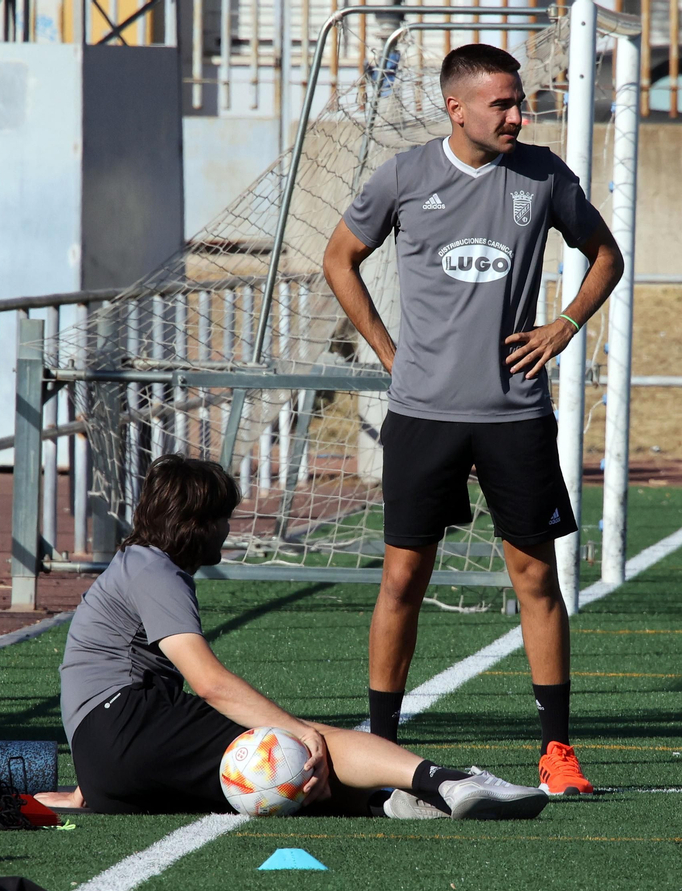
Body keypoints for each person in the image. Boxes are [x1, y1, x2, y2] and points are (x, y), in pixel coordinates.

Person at [321, 42, 625, 796]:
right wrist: (390, 352)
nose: (518, 115)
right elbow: (338, 257)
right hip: (423, 414)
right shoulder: (405, 176)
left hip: (514, 414)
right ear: (457, 109)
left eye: (519, 102)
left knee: (535, 577)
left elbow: (606, 255)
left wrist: (564, 325)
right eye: (502, 104)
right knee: (401, 579)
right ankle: (380, 751)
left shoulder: (545, 176)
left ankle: (557, 751)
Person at [34, 454, 546, 820]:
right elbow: (209, 682)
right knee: (300, 743)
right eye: (222, 519)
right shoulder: (154, 569)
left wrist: (87, 785)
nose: (228, 530)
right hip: (127, 725)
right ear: (194, 523)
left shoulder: (135, 564)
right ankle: (450, 781)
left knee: (270, 779)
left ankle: (393, 803)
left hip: (106, 772)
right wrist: (300, 731)